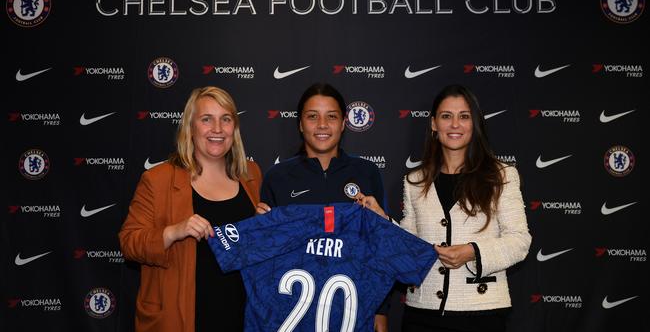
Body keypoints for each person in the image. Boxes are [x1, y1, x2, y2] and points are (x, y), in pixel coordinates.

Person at [119, 86, 262, 332]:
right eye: (207, 119)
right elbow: (129, 243)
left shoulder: (252, 176)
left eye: (225, 119)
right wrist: (174, 231)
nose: (217, 129)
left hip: (243, 317)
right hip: (181, 320)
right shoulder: (158, 180)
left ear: (234, 129)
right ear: (190, 127)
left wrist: (265, 226)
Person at [255, 82, 392, 331]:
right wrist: (260, 230)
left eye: (331, 116)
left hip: (355, 311)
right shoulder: (277, 176)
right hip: (293, 312)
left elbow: (379, 247)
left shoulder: (366, 173)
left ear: (343, 123)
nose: (322, 125)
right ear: (300, 124)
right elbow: (267, 257)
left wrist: (380, 311)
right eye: (312, 117)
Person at [398, 84, 531, 332]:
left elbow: (519, 241)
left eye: (464, 116)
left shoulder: (501, 176)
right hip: (421, 312)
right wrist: (381, 219)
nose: (455, 125)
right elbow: (409, 244)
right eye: (446, 116)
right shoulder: (414, 181)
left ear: (475, 124)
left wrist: (472, 252)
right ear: (434, 124)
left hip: (481, 314)